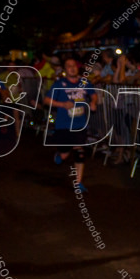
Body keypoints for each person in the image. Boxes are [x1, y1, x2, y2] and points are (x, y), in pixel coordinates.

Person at [44, 56, 98, 191]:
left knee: (80, 152)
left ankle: (78, 182)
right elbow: (46, 100)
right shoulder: (59, 84)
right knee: (65, 154)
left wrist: (93, 102)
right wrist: (62, 104)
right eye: (69, 66)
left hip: (79, 124)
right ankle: (60, 154)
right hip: (63, 125)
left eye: (74, 65)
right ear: (65, 69)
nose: (72, 68)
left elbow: (93, 94)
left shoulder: (85, 82)